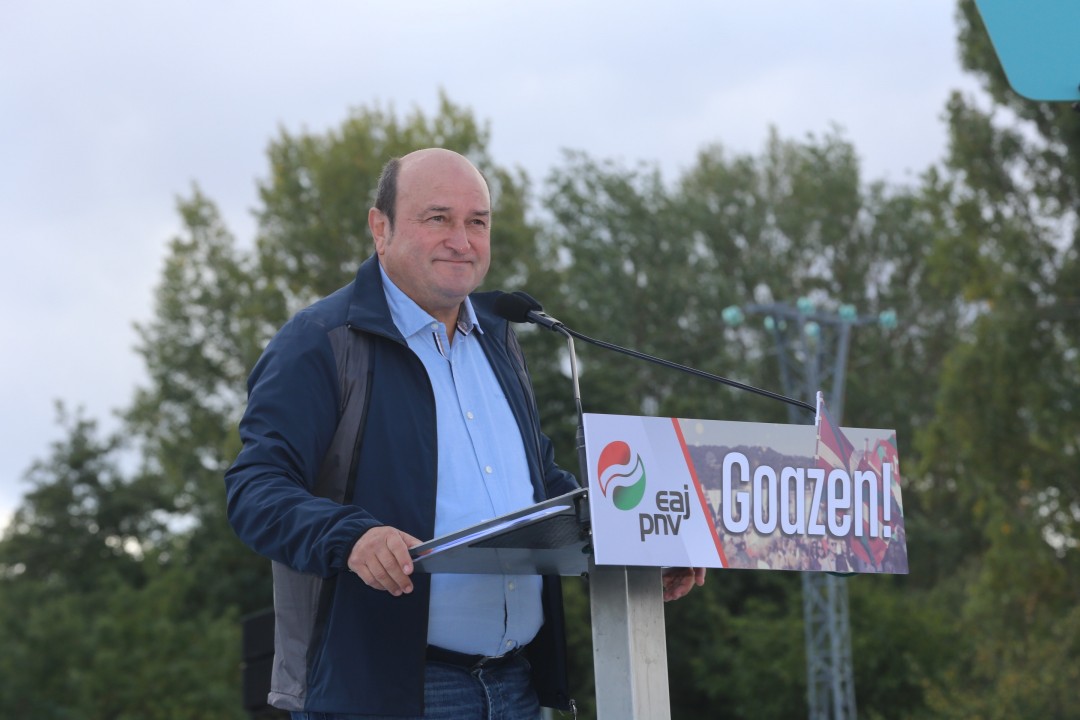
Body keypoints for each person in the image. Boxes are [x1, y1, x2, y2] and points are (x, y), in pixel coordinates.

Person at [225, 148, 705, 719]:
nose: (462, 240)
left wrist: (641, 540)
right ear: (380, 227)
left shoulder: (500, 338)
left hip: (518, 687)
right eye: (438, 219)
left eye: (477, 222)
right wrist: (351, 538)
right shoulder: (321, 341)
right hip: (389, 695)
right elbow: (254, 488)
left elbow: (539, 485)